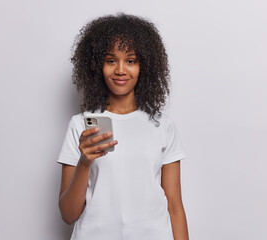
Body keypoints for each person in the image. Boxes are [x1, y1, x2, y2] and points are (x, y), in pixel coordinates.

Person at [57, 13, 189, 240]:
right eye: (110, 60)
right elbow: (68, 214)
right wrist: (84, 162)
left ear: (144, 66)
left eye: (130, 60)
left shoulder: (163, 126)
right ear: (97, 65)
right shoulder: (80, 125)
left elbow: (175, 207)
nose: (120, 70)